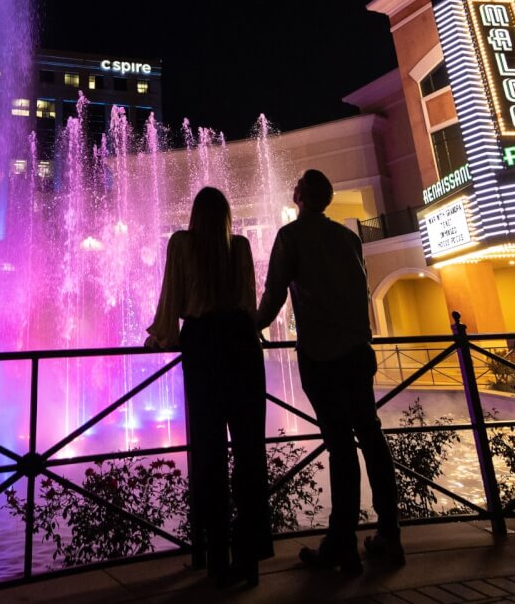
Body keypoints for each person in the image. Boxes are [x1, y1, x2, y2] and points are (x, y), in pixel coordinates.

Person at [256, 169, 403, 573]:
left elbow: (274, 294)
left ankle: (341, 542)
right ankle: (390, 535)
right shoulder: (348, 237)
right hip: (359, 351)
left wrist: (252, 325)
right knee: (371, 436)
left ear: (299, 195)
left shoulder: (291, 237)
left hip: (321, 355)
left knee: (340, 444)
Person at [146, 186, 272, 588]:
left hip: (203, 347)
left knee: (209, 454)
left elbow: (171, 298)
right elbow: (249, 303)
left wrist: (163, 335)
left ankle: (216, 560)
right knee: (250, 454)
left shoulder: (182, 242)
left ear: (195, 216)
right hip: (242, 346)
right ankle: (249, 560)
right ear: (227, 216)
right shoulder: (241, 246)